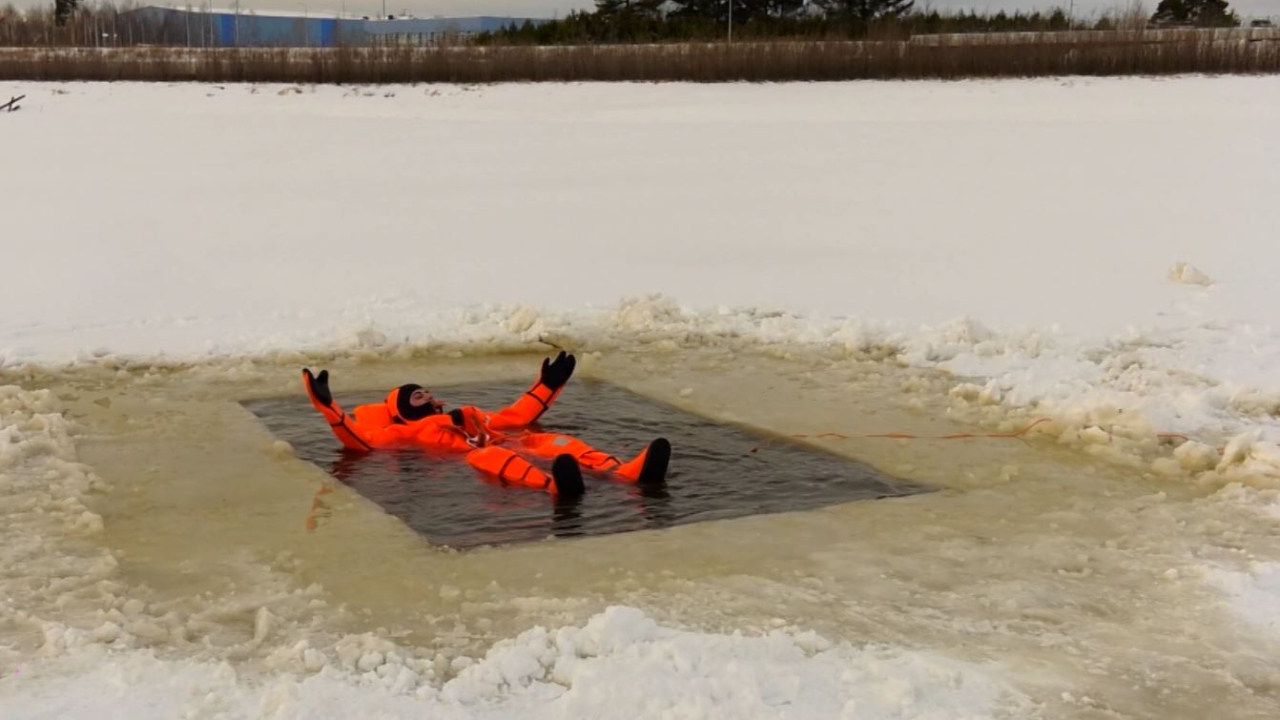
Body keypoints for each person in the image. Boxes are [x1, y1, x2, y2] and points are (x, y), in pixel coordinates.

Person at [301, 352, 670, 497]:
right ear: (401, 411)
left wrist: (549, 384)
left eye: (429, 393)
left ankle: (623, 472)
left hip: (507, 442)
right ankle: (554, 485)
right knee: (487, 458)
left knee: (557, 441)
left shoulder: (471, 414)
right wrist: (328, 407)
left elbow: (516, 417)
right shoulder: (404, 430)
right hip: (472, 456)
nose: (429, 398)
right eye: (418, 397)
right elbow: (359, 441)